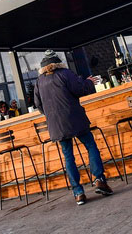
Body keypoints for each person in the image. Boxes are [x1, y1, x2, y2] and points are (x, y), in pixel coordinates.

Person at [33, 50, 113, 205]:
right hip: (75, 118)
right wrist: (88, 82)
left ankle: (78, 193)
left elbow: (38, 104)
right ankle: (99, 180)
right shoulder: (65, 73)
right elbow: (80, 89)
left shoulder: (39, 81)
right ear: (57, 62)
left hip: (57, 124)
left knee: (68, 156)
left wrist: (51, 115)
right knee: (90, 145)